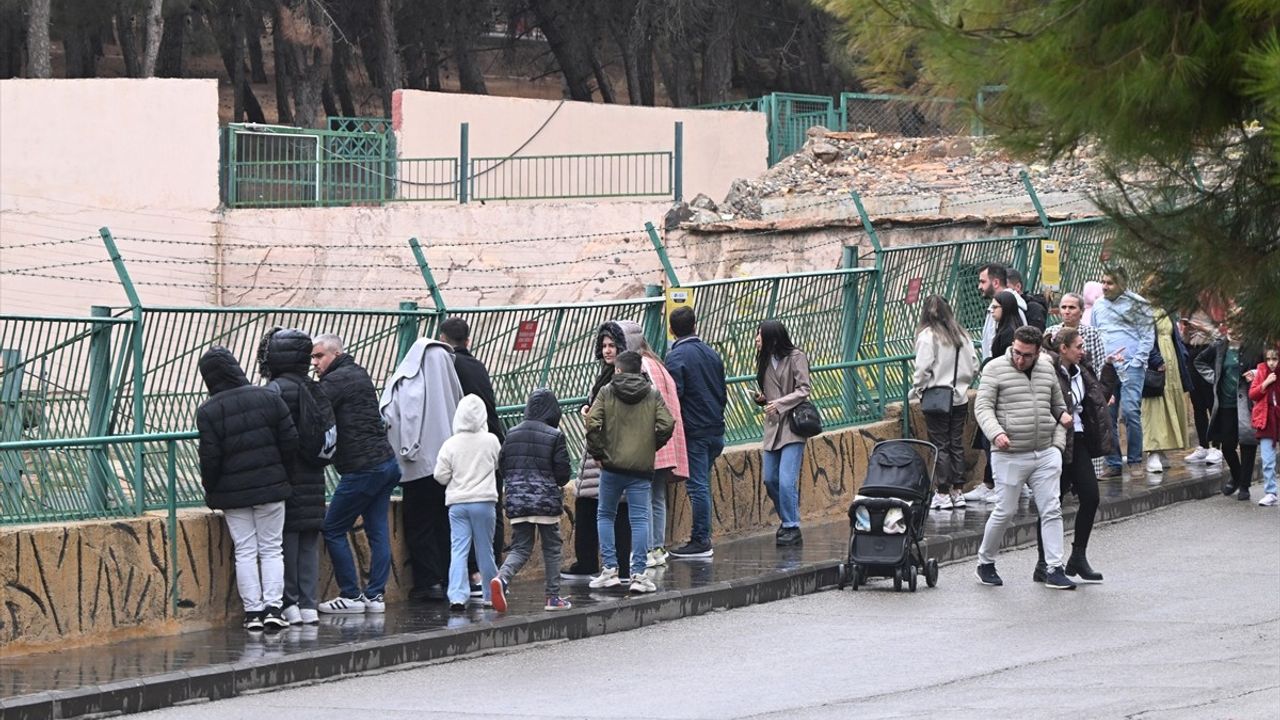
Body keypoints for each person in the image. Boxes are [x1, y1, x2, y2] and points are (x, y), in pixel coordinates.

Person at [196, 346, 298, 631]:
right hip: (272, 488)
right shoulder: (268, 396)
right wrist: (283, 477)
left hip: (233, 493)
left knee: (244, 550)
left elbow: (210, 457)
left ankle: (252, 613)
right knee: (271, 549)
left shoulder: (208, 410)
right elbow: (290, 441)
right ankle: (274, 609)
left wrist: (212, 488)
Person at [972, 326, 1077, 590]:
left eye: (1027, 355)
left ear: (1038, 351)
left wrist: (1057, 444)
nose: (1020, 360)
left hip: (1044, 452)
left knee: (1051, 508)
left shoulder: (1046, 367)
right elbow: (982, 407)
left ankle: (1054, 567)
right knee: (1005, 510)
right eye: (1017, 353)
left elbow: (1058, 405)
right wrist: (996, 434)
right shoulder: (995, 368)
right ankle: (985, 562)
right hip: (1009, 454)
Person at [312, 335, 402, 614]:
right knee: (378, 532)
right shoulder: (359, 373)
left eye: (319, 357)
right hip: (387, 463)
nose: (314, 363)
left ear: (336, 354)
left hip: (363, 468)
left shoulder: (334, 382)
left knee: (333, 528)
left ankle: (350, 595)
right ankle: (375, 596)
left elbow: (313, 410)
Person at [257, 328, 335, 626]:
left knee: (284, 544)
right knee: (308, 545)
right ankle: (309, 604)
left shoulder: (274, 391)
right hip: (314, 478)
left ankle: (288, 604)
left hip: (286, 480)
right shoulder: (316, 389)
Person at [379, 336, 463, 602]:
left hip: (421, 466)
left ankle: (428, 582)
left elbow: (401, 417)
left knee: (420, 525)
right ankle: (452, 579)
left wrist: (407, 450)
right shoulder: (450, 377)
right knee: (446, 524)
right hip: (451, 465)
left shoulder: (411, 380)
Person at [586, 350, 675, 594]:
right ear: (640, 370)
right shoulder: (652, 393)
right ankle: (638, 574)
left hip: (611, 466)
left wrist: (599, 453)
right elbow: (668, 424)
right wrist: (650, 446)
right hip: (640, 468)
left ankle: (610, 570)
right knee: (639, 519)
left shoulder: (606, 392)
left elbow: (592, 424)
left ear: (618, 370)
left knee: (605, 515)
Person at [1039, 328, 1118, 583]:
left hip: (1080, 440)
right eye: (1079, 346)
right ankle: (1044, 562)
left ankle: (1078, 556)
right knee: (1052, 502)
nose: (1083, 351)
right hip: (1058, 442)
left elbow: (1097, 399)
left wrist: (1108, 369)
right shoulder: (1048, 370)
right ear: (1063, 348)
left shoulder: (1080, 370)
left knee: (1091, 496)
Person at [562, 321, 634, 581]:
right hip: (599, 455)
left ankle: (609, 565)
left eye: (612, 345)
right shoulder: (606, 373)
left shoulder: (620, 377)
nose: (606, 350)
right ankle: (599, 563)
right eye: (603, 345)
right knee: (591, 505)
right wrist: (587, 406)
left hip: (607, 454)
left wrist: (592, 416)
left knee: (613, 509)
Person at [438, 317, 506, 590]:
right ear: (468, 341)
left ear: (442, 341)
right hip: (491, 443)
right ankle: (491, 577)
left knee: (459, 537)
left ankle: (465, 582)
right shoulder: (478, 365)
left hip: (463, 450)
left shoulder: (448, 366)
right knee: (493, 517)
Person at [491, 388, 573, 611]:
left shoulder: (513, 433)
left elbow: (503, 464)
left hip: (517, 499)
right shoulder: (554, 435)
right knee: (552, 547)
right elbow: (563, 473)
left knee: (521, 547)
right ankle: (553, 598)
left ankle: (502, 578)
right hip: (545, 501)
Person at [617, 320, 688, 569]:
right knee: (658, 496)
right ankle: (658, 548)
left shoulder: (640, 365)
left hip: (649, 441)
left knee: (644, 497)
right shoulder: (658, 364)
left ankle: (645, 549)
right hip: (667, 440)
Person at [664, 306, 727, 559]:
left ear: (671, 330)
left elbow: (673, 396)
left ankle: (701, 540)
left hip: (696, 431)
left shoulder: (676, 357)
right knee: (703, 483)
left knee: (697, 486)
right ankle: (702, 537)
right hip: (716, 428)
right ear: (695, 325)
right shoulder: (712, 353)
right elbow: (722, 392)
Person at [433, 395, 501, 611]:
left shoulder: (450, 444)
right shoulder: (491, 440)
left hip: (458, 504)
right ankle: (490, 593)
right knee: (484, 549)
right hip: (484, 502)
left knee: (459, 549)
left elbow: (440, 475)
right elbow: (499, 464)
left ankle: (457, 596)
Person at [911, 295, 978, 510]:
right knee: (955, 442)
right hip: (959, 396)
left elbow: (922, 369)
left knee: (940, 444)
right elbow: (974, 364)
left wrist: (918, 389)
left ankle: (941, 491)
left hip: (937, 396)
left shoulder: (928, 336)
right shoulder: (962, 335)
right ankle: (958, 490)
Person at [1092, 266, 1155, 478]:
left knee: (1130, 413)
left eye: (1110, 283)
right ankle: (1113, 463)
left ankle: (1135, 460)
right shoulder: (1098, 306)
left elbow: (1147, 335)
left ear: (1122, 284)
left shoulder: (1138, 304)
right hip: (1107, 368)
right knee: (1107, 416)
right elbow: (1095, 334)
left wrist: (1137, 361)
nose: (1104, 287)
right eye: (1103, 282)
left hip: (1130, 366)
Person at [754, 320, 812, 546]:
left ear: (772, 337)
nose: (757, 339)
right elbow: (768, 392)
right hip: (772, 426)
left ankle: (791, 526)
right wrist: (762, 400)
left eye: (760, 335)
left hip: (792, 425)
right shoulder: (765, 359)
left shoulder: (796, 357)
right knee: (770, 479)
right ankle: (786, 518)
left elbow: (804, 389)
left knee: (787, 480)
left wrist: (779, 403)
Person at [1196, 331, 1263, 501]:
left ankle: (1244, 486)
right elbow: (1199, 361)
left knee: (1247, 443)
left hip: (1246, 403)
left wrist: (1255, 373)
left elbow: (1267, 367)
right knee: (1226, 445)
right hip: (1225, 404)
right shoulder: (1220, 346)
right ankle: (1237, 475)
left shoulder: (1254, 346)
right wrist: (1215, 379)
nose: (1234, 329)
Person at [1141, 311, 1190, 474]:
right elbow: (1145, 338)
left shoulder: (1168, 311)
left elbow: (1175, 337)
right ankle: (1153, 451)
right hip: (1156, 363)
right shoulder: (1144, 311)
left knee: (1169, 405)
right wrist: (1156, 359)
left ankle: (1163, 449)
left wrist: (1182, 355)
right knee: (1155, 406)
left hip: (1172, 363)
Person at [1181, 306, 1226, 465]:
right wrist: (1186, 331)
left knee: (1211, 402)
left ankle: (1217, 446)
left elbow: (1220, 337)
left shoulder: (1215, 311)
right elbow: (1185, 340)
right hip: (1193, 354)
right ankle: (1203, 445)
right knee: (1197, 403)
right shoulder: (1189, 310)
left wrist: (1201, 327)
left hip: (1209, 354)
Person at [1046, 292, 1106, 374]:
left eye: (1072, 307)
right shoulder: (1051, 332)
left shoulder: (1091, 333)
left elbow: (1100, 364)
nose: (1067, 311)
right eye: (1063, 307)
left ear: (1082, 311)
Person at [1250, 346, 1280, 507]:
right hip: (1266, 419)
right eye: (1268, 359)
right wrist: (1266, 383)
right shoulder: (1261, 370)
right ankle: (1270, 492)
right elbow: (1253, 394)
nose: (1271, 363)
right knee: (1268, 459)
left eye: (1275, 359)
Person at [977, 263, 1027, 361]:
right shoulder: (997, 305)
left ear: (995, 283)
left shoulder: (1013, 307)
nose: (979, 286)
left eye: (983, 282)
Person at [989, 290, 1023, 364]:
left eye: (995, 307)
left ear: (1005, 307)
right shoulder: (1010, 327)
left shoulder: (1009, 332)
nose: (992, 311)